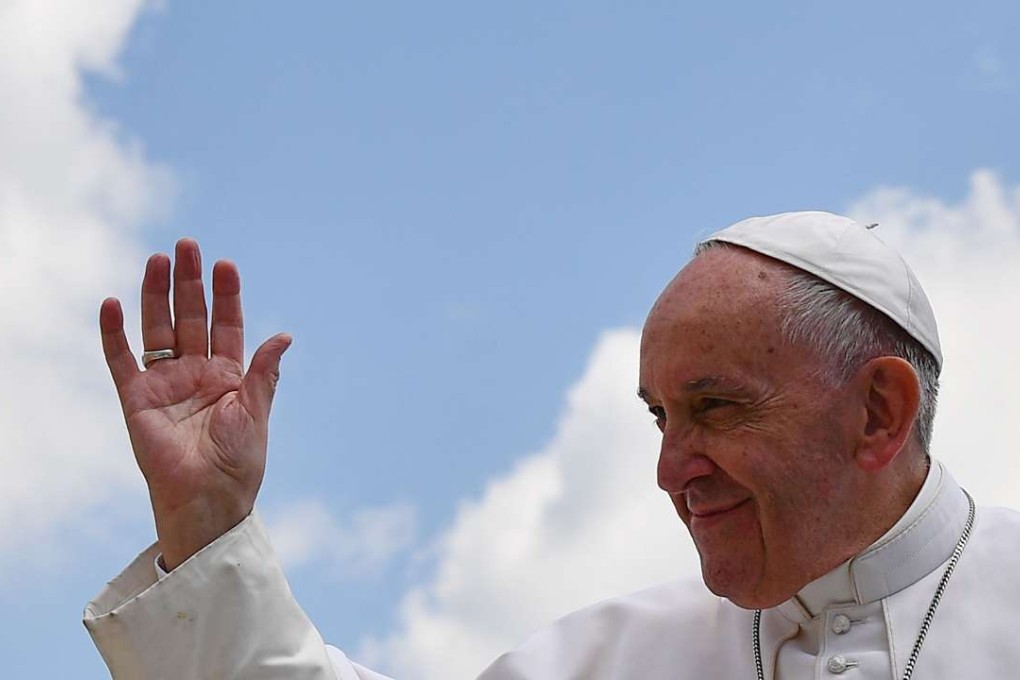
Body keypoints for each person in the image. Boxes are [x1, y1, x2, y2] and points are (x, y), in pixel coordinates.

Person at [85, 211, 1020, 679]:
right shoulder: (609, 659)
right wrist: (207, 526)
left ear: (879, 414)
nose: (670, 470)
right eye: (659, 417)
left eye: (717, 408)